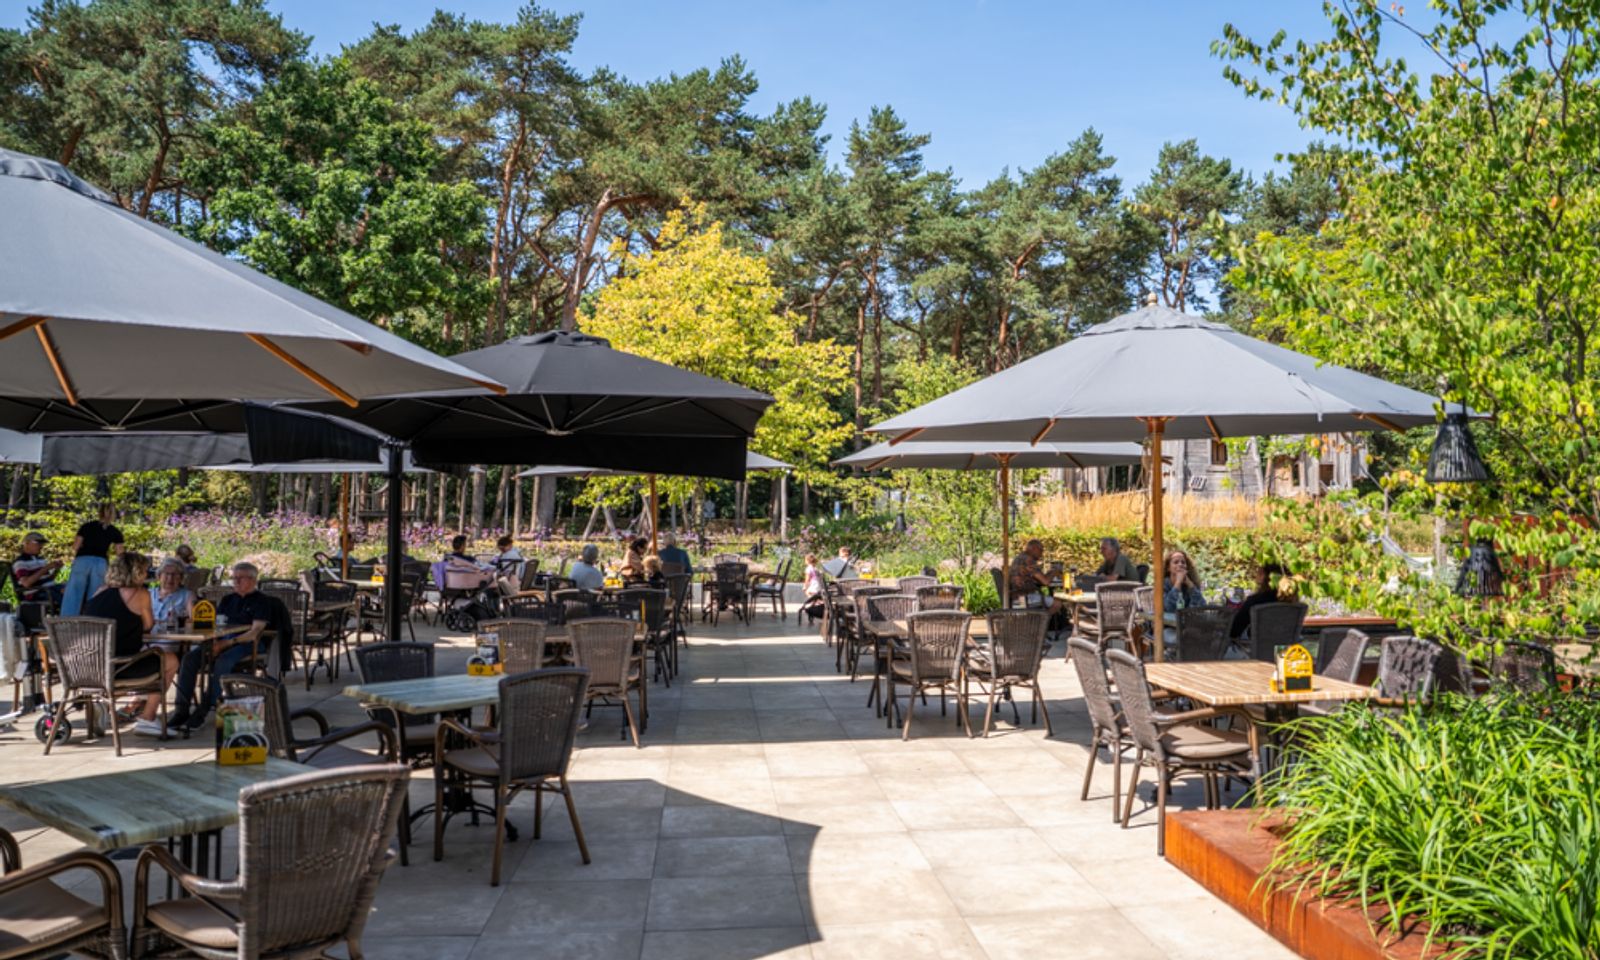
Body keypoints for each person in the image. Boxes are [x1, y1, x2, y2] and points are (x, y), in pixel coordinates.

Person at [169, 562, 276, 731]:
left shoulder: (261, 601)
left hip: (247, 644)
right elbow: (215, 625)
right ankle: (181, 710)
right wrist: (213, 642)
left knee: (223, 661)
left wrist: (226, 643)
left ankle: (205, 708)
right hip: (222, 640)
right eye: (234, 578)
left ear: (253, 580)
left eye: (240, 578)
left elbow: (255, 632)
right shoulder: (227, 599)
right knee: (190, 659)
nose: (236, 581)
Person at [84, 552, 173, 737]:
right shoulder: (139, 594)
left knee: (151, 660)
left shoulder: (100, 591)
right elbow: (148, 625)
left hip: (92, 666)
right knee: (170, 660)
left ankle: (106, 702)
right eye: (145, 570)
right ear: (137, 572)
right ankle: (148, 718)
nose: (147, 573)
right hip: (120, 665)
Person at [60, 502, 124, 616]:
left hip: (82, 560)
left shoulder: (87, 526)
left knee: (74, 591)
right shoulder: (115, 531)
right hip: (100, 562)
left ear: (99, 513)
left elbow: (75, 546)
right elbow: (120, 553)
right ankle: (93, 619)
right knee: (96, 593)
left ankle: (67, 619)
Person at [1229, 562, 1289, 639]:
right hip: (1286, 644)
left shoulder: (1255, 601)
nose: (1256, 575)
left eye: (1259, 572)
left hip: (1257, 645)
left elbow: (1234, 631)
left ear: (1264, 576)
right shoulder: (1291, 603)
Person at [1009, 539, 1063, 614]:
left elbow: (1040, 579)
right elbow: (1045, 582)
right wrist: (1055, 571)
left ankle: (1043, 619)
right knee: (1057, 603)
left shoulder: (1020, 557)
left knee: (1051, 599)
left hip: (1017, 595)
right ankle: (1043, 620)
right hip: (1024, 597)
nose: (1041, 554)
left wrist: (1050, 572)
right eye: (1041, 550)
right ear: (1034, 548)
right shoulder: (1029, 560)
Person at [12, 531, 64, 609]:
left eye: (42, 543)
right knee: (65, 596)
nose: (41, 546)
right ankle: (70, 614)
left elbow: (48, 579)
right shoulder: (20, 562)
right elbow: (26, 583)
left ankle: (77, 613)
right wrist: (46, 568)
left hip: (49, 589)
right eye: (38, 543)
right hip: (36, 593)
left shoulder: (41, 559)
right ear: (26, 543)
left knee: (72, 588)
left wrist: (56, 569)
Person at [149, 558, 194, 626]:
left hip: (174, 632)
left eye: (175, 574)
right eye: (166, 573)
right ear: (159, 576)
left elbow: (193, 621)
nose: (170, 578)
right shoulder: (148, 594)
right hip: (147, 632)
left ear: (181, 578)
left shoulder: (188, 596)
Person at [800, 553, 827, 624]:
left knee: (809, 595)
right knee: (815, 599)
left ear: (807, 561)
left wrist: (805, 586)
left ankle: (811, 611)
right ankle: (816, 606)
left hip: (814, 586)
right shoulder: (816, 569)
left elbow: (807, 579)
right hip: (819, 586)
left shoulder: (808, 569)